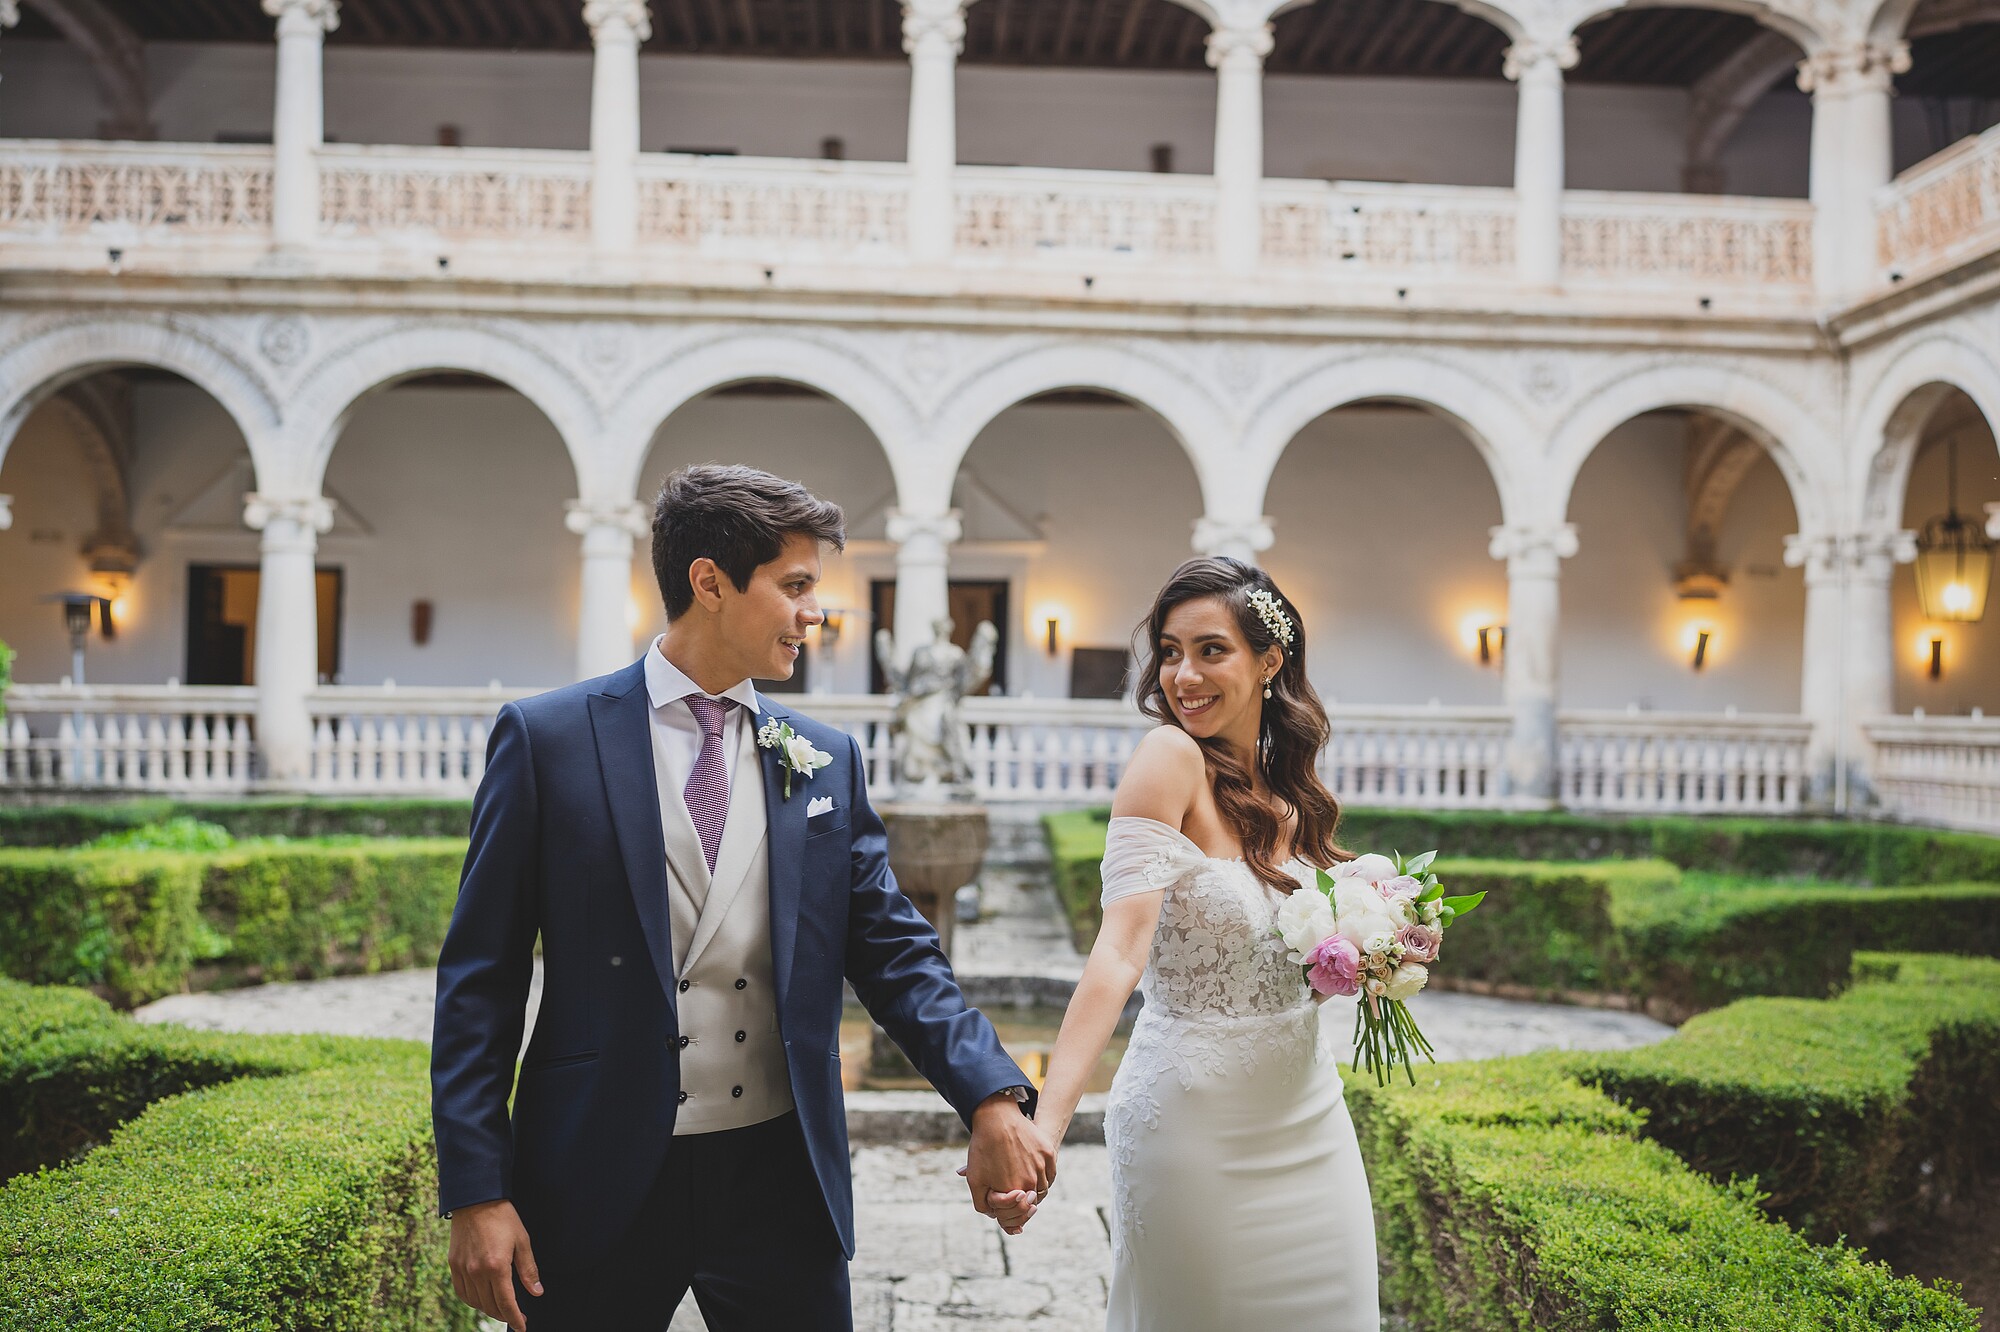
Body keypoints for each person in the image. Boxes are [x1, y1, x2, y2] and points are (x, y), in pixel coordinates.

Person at [431, 464, 1053, 1332]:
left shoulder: (825, 755)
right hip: (595, 1172)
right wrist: (476, 1191)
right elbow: (479, 982)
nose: (816, 613)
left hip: (779, 1179)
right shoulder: (548, 740)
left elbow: (894, 951)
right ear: (710, 583)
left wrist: (989, 1095)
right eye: (795, 586)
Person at [1001, 555, 1381, 1330]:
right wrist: (1044, 1127)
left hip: (1310, 1118)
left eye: (1211, 650)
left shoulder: (1287, 792)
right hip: (1195, 1131)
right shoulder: (1168, 758)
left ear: (1269, 661)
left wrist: (1374, 953)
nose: (1182, 675)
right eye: (1171, 652)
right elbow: (1116, 955)